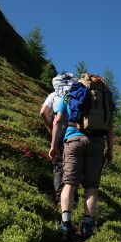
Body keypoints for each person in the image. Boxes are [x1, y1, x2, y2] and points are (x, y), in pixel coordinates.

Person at [49, 74, 114, 241]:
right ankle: (87, 225)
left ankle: (66, 224)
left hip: (73, 140)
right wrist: (110, 151)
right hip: (97, 143)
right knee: (92, 186)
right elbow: (109, 126)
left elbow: (57, 120)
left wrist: (54, 145)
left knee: (69, 183)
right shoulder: (105, 97)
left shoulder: (71, 92)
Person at [40, 73, 77, 204]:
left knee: (58, 164)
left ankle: (58, 198)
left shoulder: (53, 94)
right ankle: (72, 197)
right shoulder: (75, 95)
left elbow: (43, 112)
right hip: (74, 127)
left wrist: (52, 127)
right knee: (72, 162)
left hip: (59, 126)